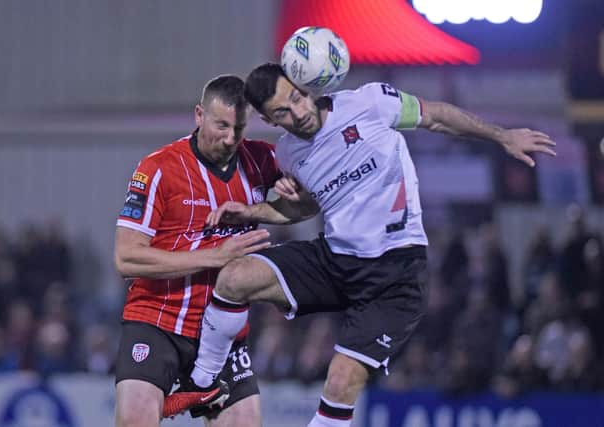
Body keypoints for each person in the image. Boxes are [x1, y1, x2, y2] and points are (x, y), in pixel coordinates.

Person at [167, 63, 557, 426]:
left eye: (297, 97)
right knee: (234, 278)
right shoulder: (288, 153)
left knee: (339, 383)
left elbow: (436, 116)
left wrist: (502, 135)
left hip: (395, 275)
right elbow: (304, 207)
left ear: (307, 87)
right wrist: (254, 212)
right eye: (282, 112)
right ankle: (204, 380)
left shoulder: (369, 103)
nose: (297, 111)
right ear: (269, 121)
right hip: (336, 260)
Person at [113, 74, 291, 427]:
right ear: (199, 115)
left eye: (238, 128)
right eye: (221, 125)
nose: (229, 138)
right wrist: (215, 256)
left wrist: (300, 196)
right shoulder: (159, 168)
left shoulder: (262, 160)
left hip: (223, 336)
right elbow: (125, 257)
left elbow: (317, 186)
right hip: (156, 324)